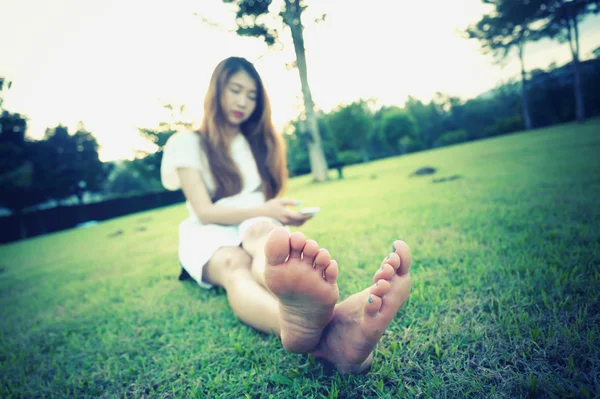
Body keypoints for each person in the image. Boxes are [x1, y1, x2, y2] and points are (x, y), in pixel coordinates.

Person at [160, 56, 412, 374]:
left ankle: (297, 303)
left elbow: (265, 200)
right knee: (232, 267)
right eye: (236, 90)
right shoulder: (186, 143)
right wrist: (266, 209)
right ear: (216, 91)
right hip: (208, 228)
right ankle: (317, 332)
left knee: (265, 237)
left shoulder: (257, 143)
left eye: (252, 96)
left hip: (254, 220)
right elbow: (204, 211)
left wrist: (280, 214)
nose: (243, 102)